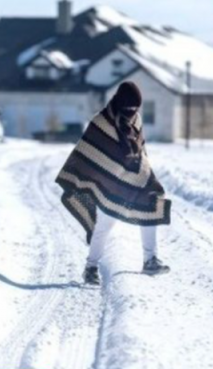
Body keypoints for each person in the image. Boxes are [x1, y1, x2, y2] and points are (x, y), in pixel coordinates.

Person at [55, 81, 172, 285]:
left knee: (151, 207)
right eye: (129, 107)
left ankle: (150, 260)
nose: (132, 111)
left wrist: (144, 172)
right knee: (104, 226)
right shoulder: (101, 121)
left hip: (135, 180)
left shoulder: (136, 119)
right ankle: (91, 267)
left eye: (136, 108)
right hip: (110, 183)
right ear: (119, 102)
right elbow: (88, 151)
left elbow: (140, 150)